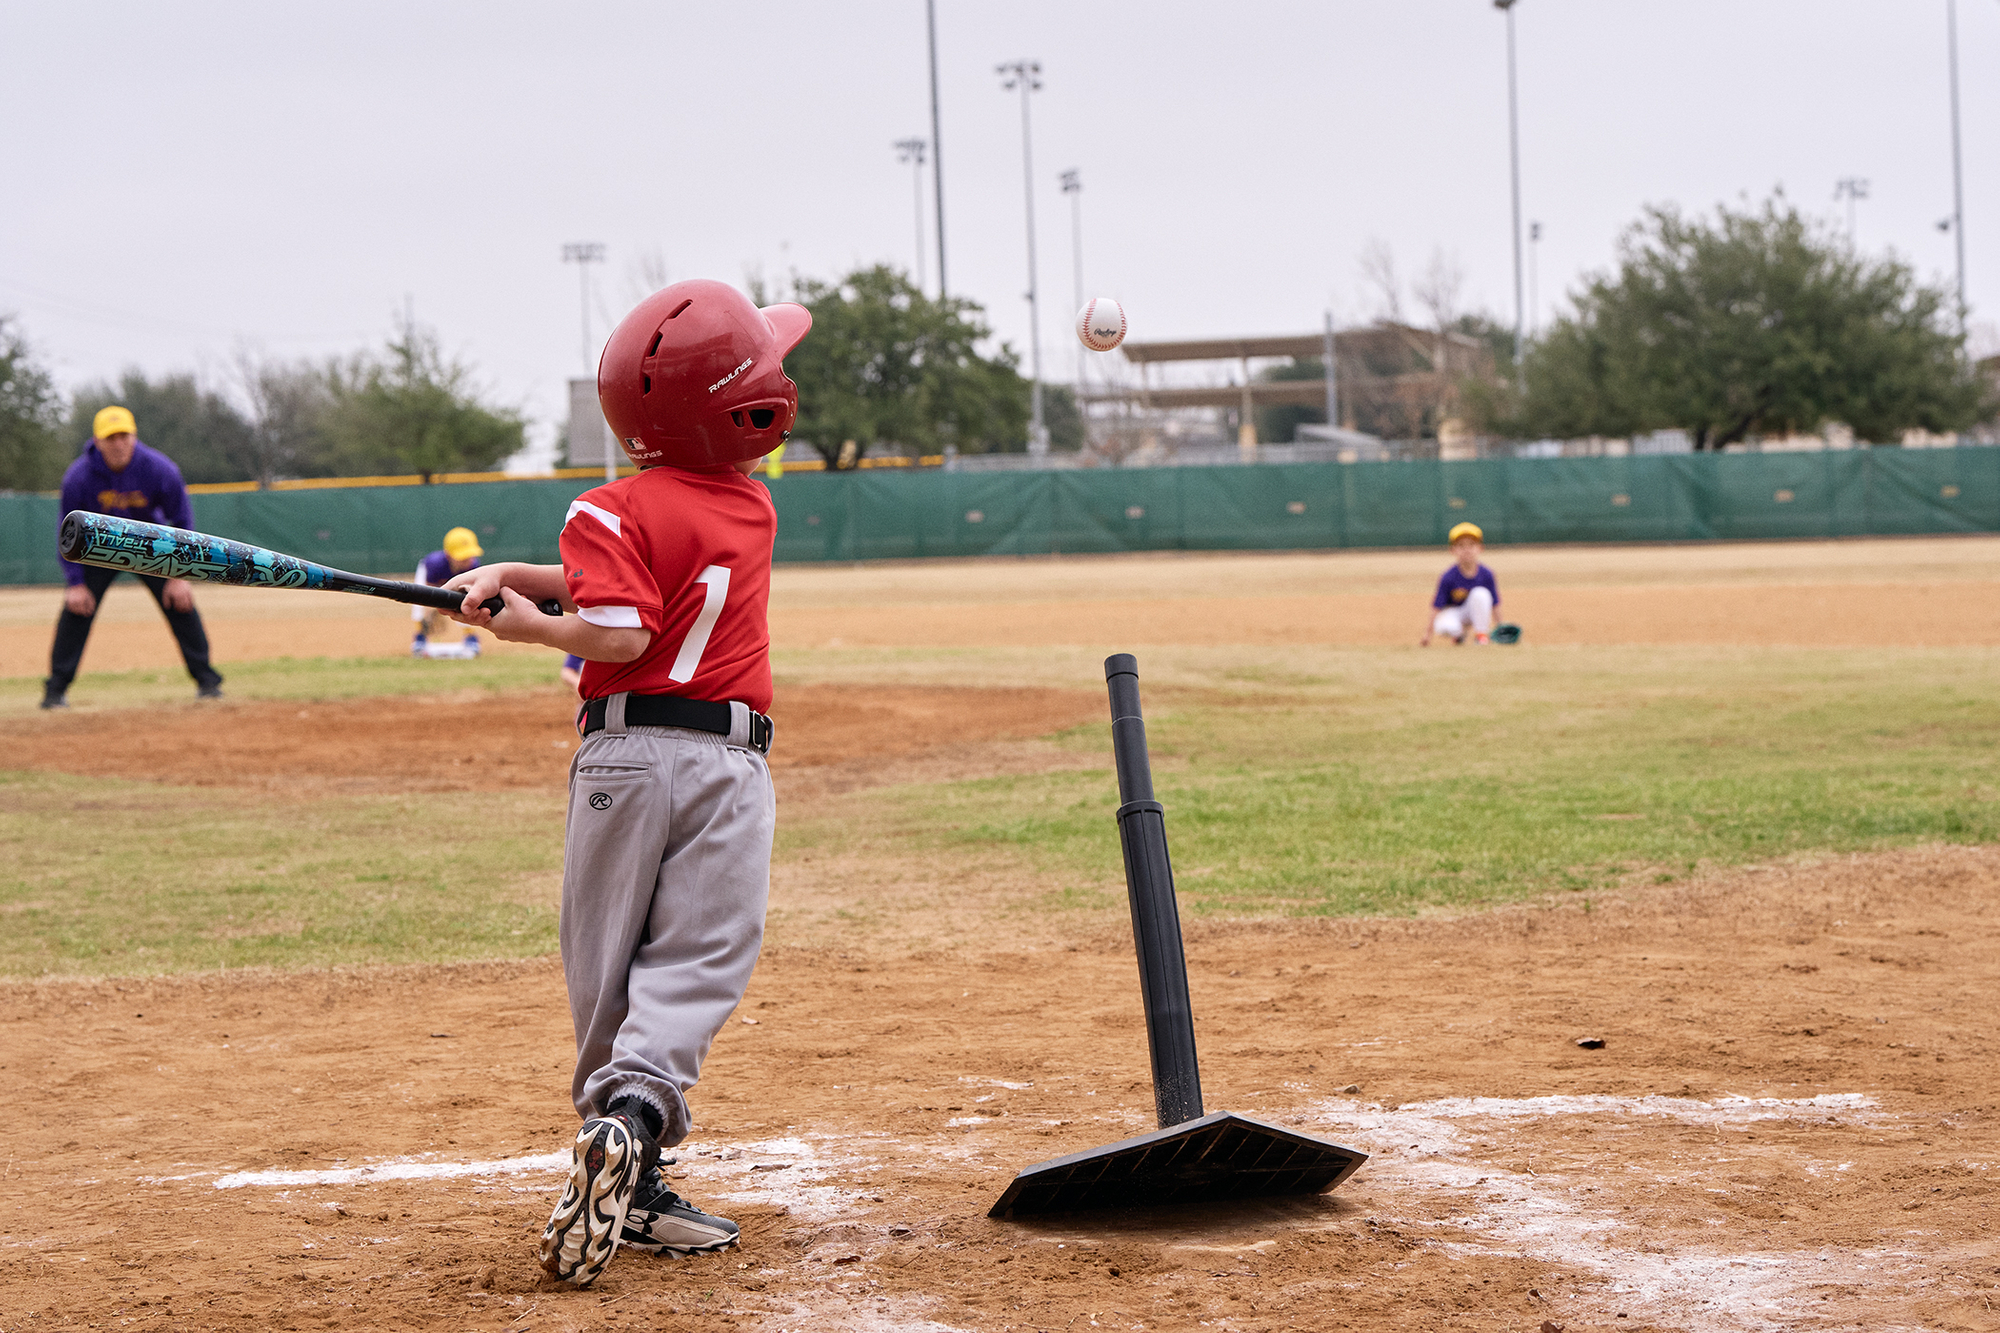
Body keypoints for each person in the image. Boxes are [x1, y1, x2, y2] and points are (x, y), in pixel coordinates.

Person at [443, 279, 809, 1287]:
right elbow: (649, 589)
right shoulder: (750, 504)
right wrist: (535, 572)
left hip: (622, 758)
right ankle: (634, 1122)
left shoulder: (605, 509)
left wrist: (531, 621)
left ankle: (617, 1141)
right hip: (729, 765)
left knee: (606, 956)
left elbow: (621, 627)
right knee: (700, 950)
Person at [44, 405, 225, 709]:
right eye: (110, 437)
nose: (118, 443)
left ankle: (208, 681)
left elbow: (181, 522)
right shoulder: (78, 477)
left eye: (123, 436)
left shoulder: (158, 468)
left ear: (134, 437)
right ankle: (55, 691)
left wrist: (179, 575)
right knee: (76, 610)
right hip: (97, 550)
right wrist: (75, 583)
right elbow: (67, 532)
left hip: (150, 546)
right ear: (97, 441)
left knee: (180, 603)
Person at [1421, 521, 1501, 646]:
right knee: (1444, 627)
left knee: (1481, 594)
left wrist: (1501, 628)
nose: (1467, 550)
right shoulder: (1448, 576)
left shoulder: (1487, 574)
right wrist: (1427, 635)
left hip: (1475, 613)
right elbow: (1437, 606)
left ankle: (1481, 636)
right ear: (1452, 550)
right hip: (1456, 614)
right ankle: (1459, 635)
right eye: (1461, 546)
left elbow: (1495, 603)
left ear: (1480, 548)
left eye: (1471, 545)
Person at [410, 527, 484, 659]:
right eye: (462, 557)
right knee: (419, 602)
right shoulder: (434, 564)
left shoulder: (473, 566)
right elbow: (428, 593)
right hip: (430, 577)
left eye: (469, 555)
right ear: (448, 555)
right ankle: (420, 638)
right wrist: (432, 612)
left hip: (456, 579)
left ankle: (471, 637)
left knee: (466, 603)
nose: (467, 559)